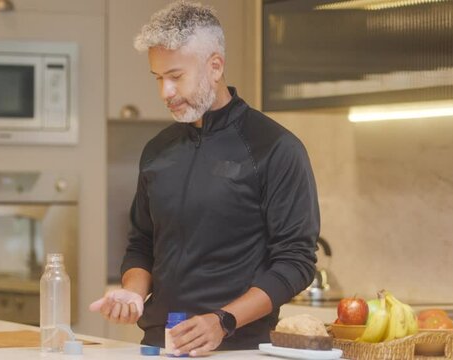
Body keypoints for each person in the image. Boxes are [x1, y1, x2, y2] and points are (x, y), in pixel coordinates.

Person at [90, 1, 320, 356]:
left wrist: (223, 321)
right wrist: (133, 293)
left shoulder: (274, 147)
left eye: (176, 76)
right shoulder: (157, 149)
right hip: (157, 347)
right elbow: (142, 244)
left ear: (215, 66)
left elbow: (295, 262)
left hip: (239, 349)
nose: (164, 92)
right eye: (158, 78)